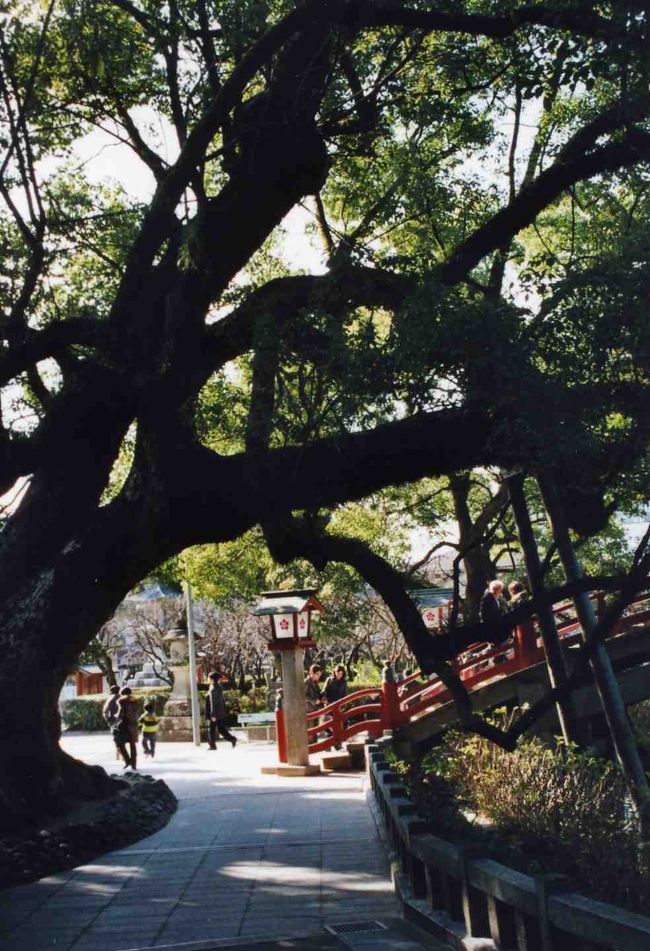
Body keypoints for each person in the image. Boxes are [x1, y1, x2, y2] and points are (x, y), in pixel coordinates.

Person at [205, 671, 238, 750]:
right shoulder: (218, 687)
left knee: (212, 730)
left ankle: (212, 745)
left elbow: (213, 702)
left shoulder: (213, 689)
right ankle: (232, 739)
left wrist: (213, 715)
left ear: (212, 679)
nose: (208, 679)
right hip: (220, 712)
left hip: (214, 713)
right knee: (221, 729)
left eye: (209, 677)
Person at [115, 686, 140, 769]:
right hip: (134, 725)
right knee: (133, 745)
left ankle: (127, 760)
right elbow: (136, 713)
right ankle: (134, 764)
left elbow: (120, 714)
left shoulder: (122, 701)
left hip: (124, 725)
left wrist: (115, 720)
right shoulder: (135, 701)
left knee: (120, 743)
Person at [102, 684, 122, 761]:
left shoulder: (110, 698)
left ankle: (119, 754)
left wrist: (107, 720)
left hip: (113, 720)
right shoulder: (122, 697)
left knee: (116, 738)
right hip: (123, 720)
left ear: (111, 691)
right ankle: (122, 754)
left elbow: (105, 711)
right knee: (123, 738)